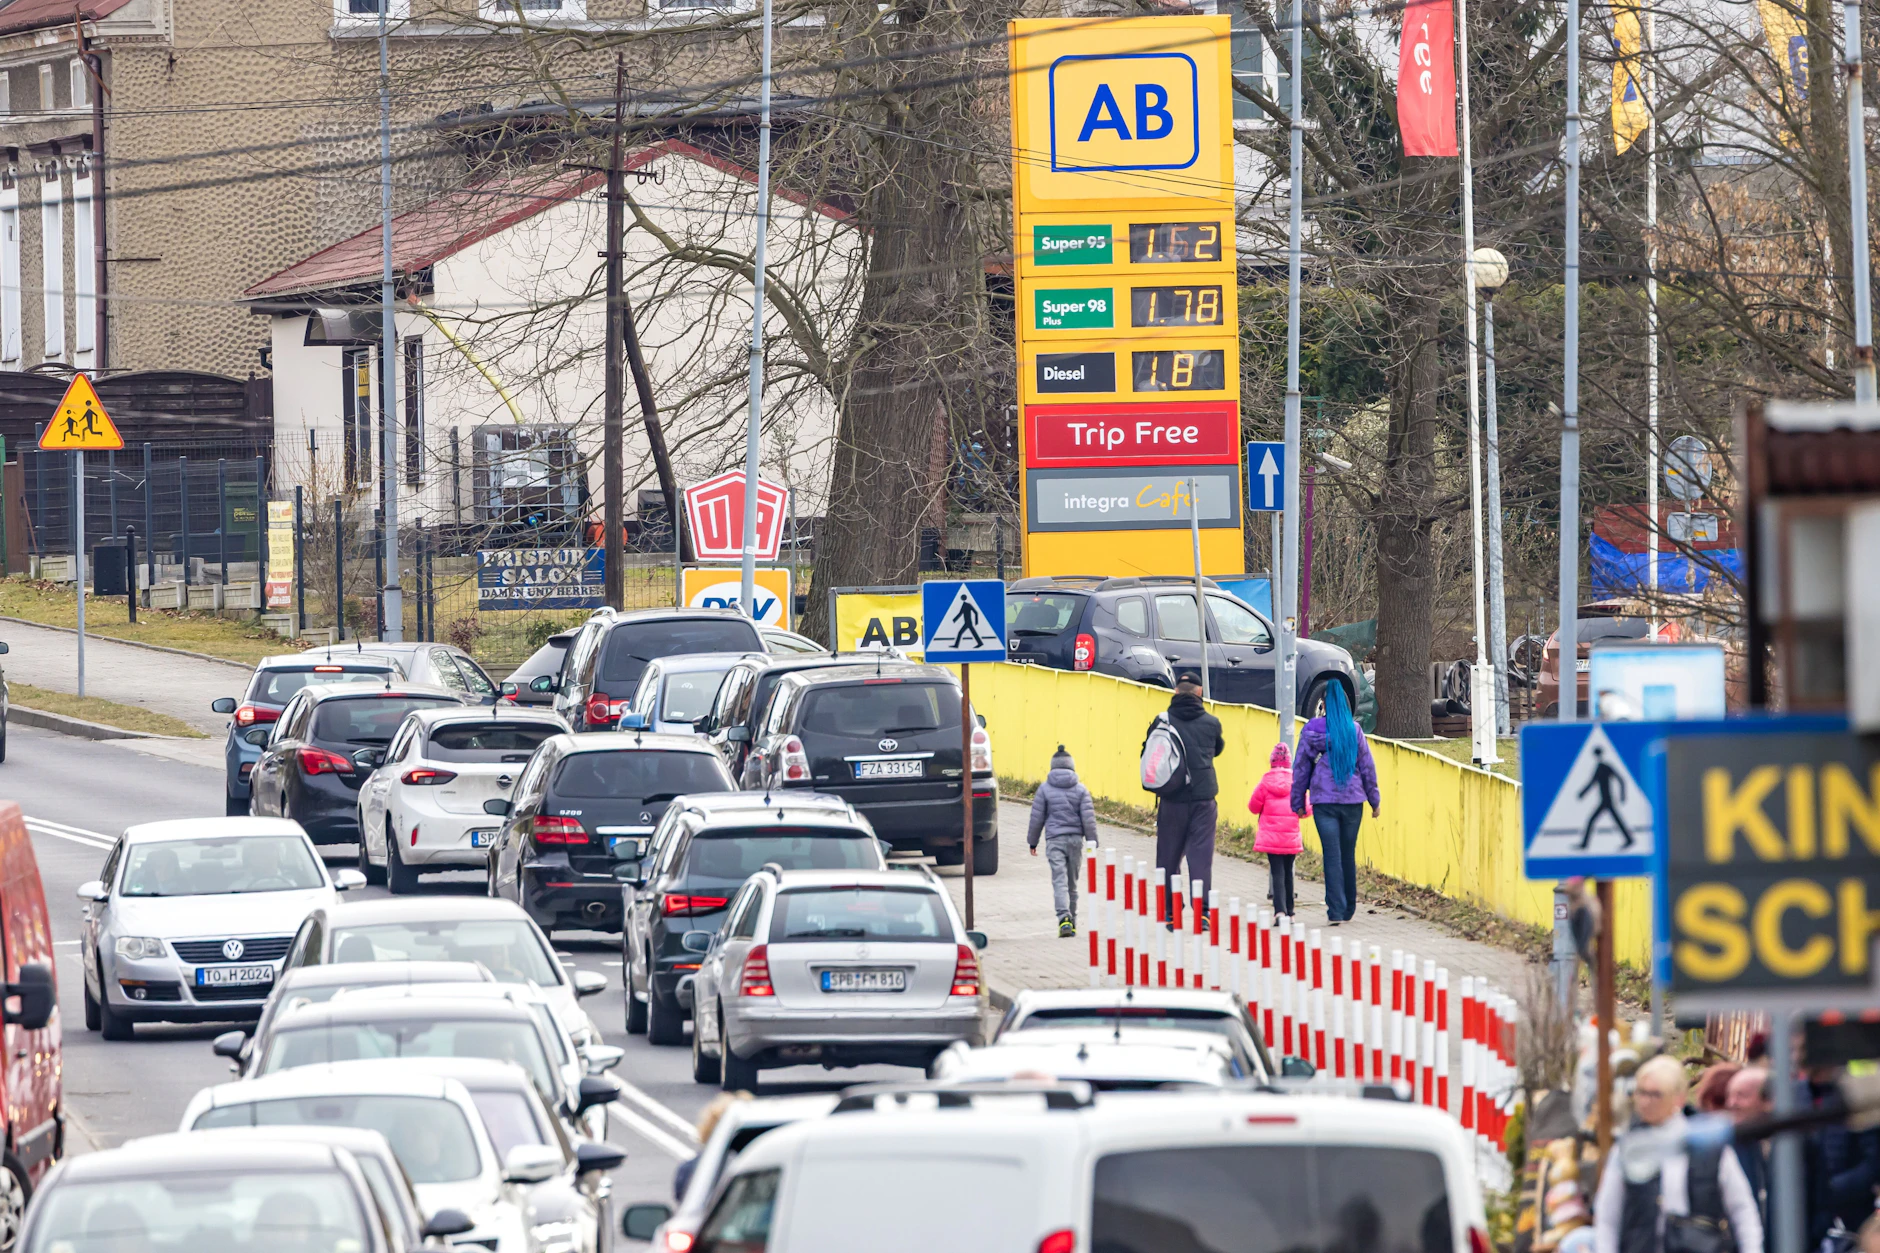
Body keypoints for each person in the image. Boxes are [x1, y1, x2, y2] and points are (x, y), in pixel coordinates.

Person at [1594, 1055, 1764, 1253]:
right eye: (1641, 1093)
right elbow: (1607, 1218)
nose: (1645, 1102)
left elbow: (1742, 1210)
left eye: (1655, 1094)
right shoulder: (1628, 1148)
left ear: (1678, 1098)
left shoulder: (1708, 1146)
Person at [1290, 682, 1379, 924]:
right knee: (1347, 853)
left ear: (1323, 705)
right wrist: (1374, 801)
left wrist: (1297, 802)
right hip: (1353, 802)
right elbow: (1367, 767)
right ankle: (1349, 906)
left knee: (1332, 854)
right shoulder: (1355, 730)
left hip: (1324, 802)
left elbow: (1300, 769)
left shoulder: (1311, 729)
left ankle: (1336, 910)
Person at [1149, 672, 1223, 908]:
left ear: (1176, 692)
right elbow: (1217, 749)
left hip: (1172, 799)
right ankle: (1202, 912)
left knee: (1168, 855)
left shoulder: (1162, 721)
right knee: (1200, 856)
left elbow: (1148, 751)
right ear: (1200, 692)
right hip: (1203, 799)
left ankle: (1170, 910)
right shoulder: (1212, 723)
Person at [1800, 1064, 1880, 1248]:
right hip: (1807, 1211)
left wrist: (1833, 1190)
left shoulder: (1856, 1091)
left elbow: (1873, 1162)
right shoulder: (1800, 1094)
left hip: (1850, 1215)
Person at [1028, 745, 1099, 938]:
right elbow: (1089, 819)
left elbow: (1037, 818)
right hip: (1076, 841)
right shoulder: (1081, 789)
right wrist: (1093, 842)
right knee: (1072, 883)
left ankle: (1064, 918)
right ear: (1072, 767)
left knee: (1059, 881)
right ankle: (1072, 921)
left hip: (1054, 841)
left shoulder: (1044, 789)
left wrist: (1032, 842)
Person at [1249, 742, 1307, 917]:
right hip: (1290, 837)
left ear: (1271, 762)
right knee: (1289, 871)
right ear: (1289, 762)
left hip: (1271, 837)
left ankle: (1279, 911)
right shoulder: (1296, 782)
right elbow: (1306, 810)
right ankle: (1290, 909)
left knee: (1277, 872)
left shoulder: (1265, 782)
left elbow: (1253, 807)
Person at [1725, 1067, 1771, 1247]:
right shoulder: (1728, 1148)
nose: (1731, 1103)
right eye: (1729, 1095)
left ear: (1768, 1101)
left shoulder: (1793, 1145)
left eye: (1741, 1095)